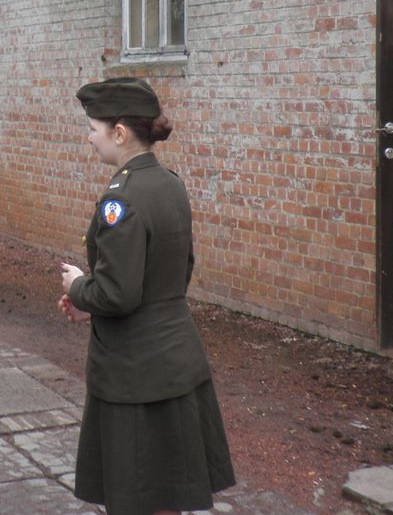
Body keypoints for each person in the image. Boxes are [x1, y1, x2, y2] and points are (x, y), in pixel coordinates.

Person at [58, 77, 235, 515]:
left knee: (134, 494)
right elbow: (178, 270)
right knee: (166, 493)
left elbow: (118, 292)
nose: (90, 137)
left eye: (94, 128)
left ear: (120, 133)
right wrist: (91, 308)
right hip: (176, 361)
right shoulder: (169, 184)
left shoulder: (122, 199)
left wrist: (79, 287)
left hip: (133, 374)